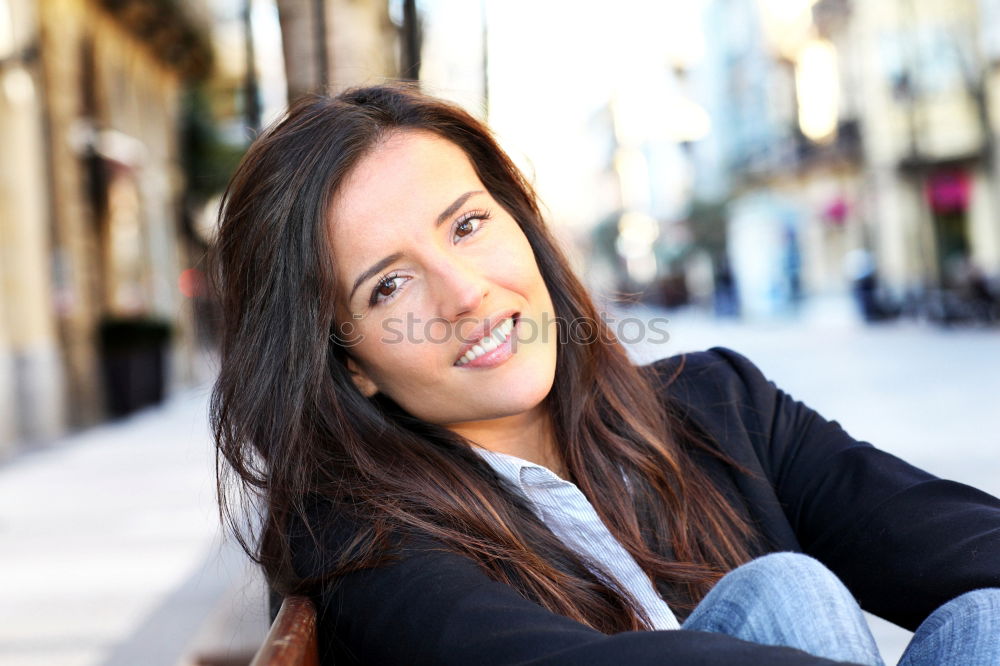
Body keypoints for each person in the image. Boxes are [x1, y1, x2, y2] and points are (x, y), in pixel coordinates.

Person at [210, 83, 1000, 665]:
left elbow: (958, 541)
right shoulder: (359, 540)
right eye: (388, 285)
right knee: (786, 593)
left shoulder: (720, 405)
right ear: (350, 363)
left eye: (469, 224)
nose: (463, 293)